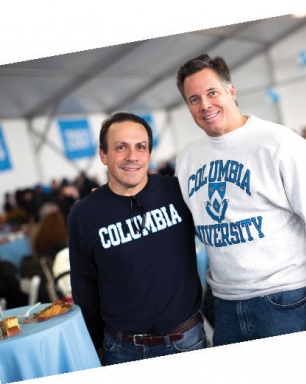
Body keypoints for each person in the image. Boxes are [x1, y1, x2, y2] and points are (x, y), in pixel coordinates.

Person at [175, 53, 306, 347]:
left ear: (231, 91)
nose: (204, 105)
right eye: (194, 99)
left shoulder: (280, 144)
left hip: (289, 302)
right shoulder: (187, 159)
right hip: (226, 307)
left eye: (212, 93)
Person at [67, 112, 205, 366]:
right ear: (103, 155)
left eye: (140, 147)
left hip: (187, 339)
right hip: (121, 349)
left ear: (149, 154)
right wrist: (95, 344)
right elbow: (83, 283)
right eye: (121, 147)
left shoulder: (178, 191)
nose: (132, 156)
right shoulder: (84, 214)